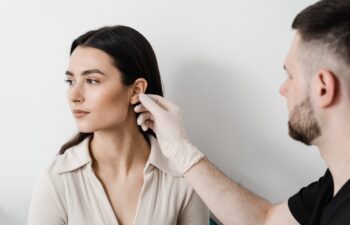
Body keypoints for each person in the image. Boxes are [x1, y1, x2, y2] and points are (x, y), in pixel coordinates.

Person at [134, 0, 350, 224]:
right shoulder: (332, 186)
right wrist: (181, 149)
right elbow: (265, 220)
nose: (283, 89)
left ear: (323, 87)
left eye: (291, 76)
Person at [28, 25, 209, 225]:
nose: (74, 96)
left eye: (92, 81)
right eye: (70, 81)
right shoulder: (57, 179)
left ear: (135, 90)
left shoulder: (183, 176)